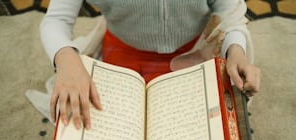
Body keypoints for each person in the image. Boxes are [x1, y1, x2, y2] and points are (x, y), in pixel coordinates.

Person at [40, 0, 261, 130]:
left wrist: (237, 54)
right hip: (122, 55)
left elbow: (230, 16)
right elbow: (57, 19)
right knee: (107, 133)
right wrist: (67, 59)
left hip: (194, 54)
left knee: (203, 133)